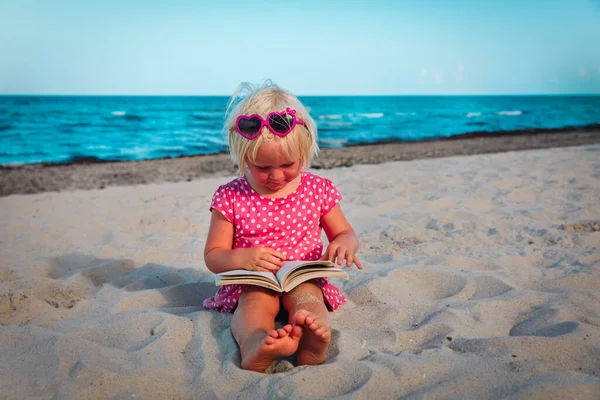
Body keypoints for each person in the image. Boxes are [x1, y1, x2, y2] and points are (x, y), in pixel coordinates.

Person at [203, 82, 362, 373]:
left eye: (288, 164)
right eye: (262, 168)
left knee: (309, 301)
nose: (276, 176)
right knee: (254, 306)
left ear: (304, 152)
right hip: (255, 280)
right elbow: (214, 255)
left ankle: (312, 340)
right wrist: (242, 258)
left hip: (301, 274)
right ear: (243, 158)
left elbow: (345, 233)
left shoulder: (318, 189)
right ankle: (255, 344)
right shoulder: (231, 196)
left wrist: (344, 244)